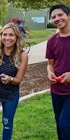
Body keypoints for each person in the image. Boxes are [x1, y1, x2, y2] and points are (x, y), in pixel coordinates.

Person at [45, 4, 70, 140]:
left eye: (60, 15)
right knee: (59, 125)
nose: (57, 18)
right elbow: (50, 64)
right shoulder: (51, 41)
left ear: (69, 16)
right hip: (56, 90)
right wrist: (50, 73)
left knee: (65, 124)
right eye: (53, 17)